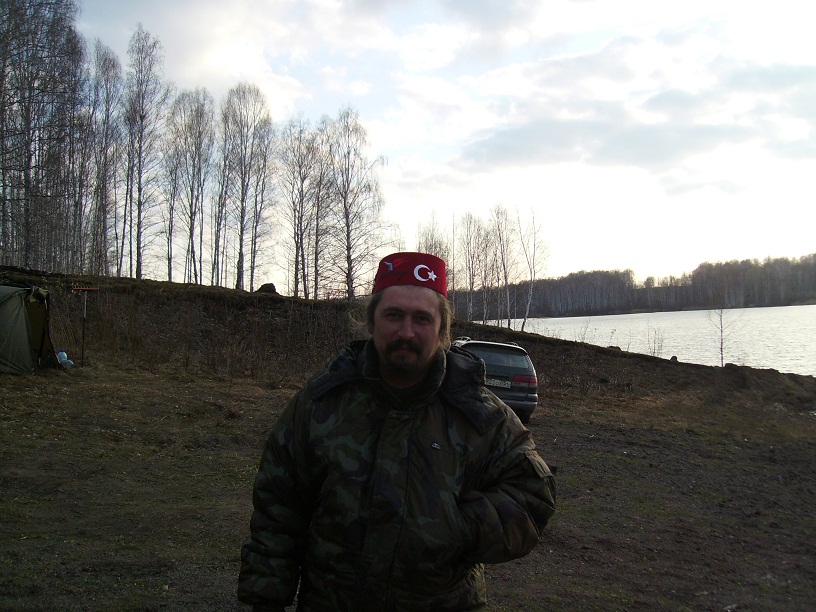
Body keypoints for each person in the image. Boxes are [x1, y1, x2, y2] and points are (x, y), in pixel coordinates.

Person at [238, 252, 556, 611]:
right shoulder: (322, 403)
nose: (406, 332)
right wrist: (264, 599)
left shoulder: (480, 415)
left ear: (442, 329)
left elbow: (533, 495)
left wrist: (457, 527)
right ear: (371, 322)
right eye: (393, 315)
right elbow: (278, 507)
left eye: (422, 318)